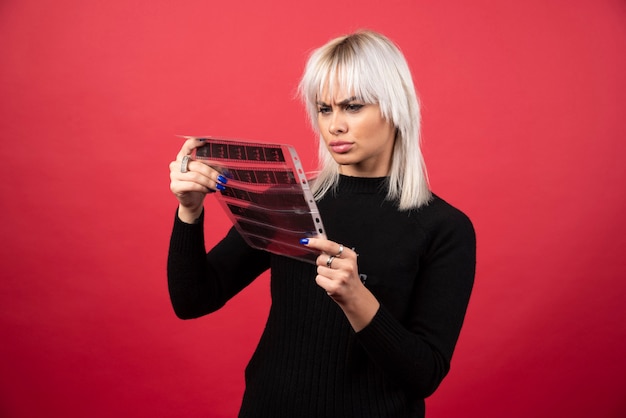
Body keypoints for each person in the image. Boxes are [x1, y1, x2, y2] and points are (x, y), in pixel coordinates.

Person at [167, 30, 476, 418]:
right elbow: (193, 299)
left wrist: (356, 299)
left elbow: (423, 375)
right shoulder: (287, 201)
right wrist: (190, 212)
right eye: (324, 109)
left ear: (396, 108)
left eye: (353, 106)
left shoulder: (444, 228)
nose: (335, 126)